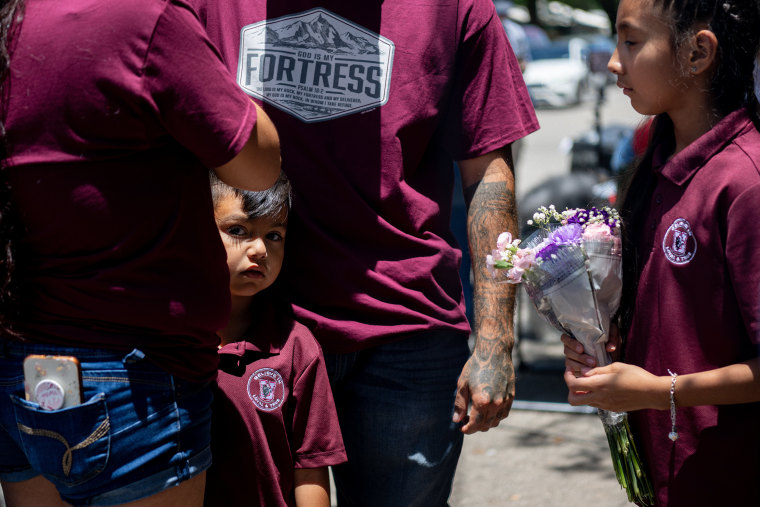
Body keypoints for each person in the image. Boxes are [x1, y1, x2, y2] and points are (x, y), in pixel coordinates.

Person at [189, 1, 539, 504]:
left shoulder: (456, 8)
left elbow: (488, 174)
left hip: (407, 334)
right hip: (255, 330)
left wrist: (496, 338)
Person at [0, 0, 281, 505]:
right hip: (133, 380)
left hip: (14, 366)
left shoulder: (13, 22)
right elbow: (259, 167)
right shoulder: (143, 19)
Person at [561, 0, 760, 504]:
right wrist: (604, 346)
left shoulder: (745, 181)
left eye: (631, 41)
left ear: (698, 53)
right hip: (670, 475)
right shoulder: (657, 164)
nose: (613, 61)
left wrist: (653, 391)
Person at [204, 172, 346, 507]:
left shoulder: (296, 346)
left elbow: (310, 465)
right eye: (238, 230)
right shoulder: (166, 337)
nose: (259, 249)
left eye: (274, 235)